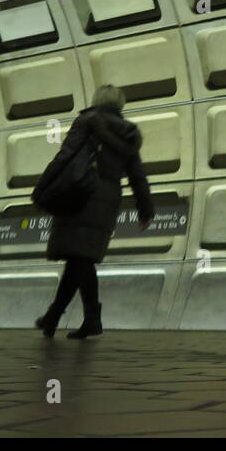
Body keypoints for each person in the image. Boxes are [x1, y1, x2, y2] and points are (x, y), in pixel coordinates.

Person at [32, 84, 154, 339]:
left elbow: (66, 155)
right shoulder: (128, 133)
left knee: (79, 258)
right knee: (81, 259)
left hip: (80, 192)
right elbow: (137, 174)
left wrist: (43, 187)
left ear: (97, 99)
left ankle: (61, 316)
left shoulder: (87, 121)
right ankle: (81, 319)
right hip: (108, 197)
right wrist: (145, 208)